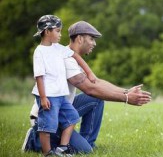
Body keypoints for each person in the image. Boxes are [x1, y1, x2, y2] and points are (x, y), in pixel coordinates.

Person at [22, 20, 152, 154]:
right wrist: (126, 98)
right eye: (91, 39)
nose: (94, 43)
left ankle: (87, 142)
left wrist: (126, 92)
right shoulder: (65, 59)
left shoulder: (70, 55)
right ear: (79, 39)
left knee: (95, 101)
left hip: (62, 108)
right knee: (84, 149)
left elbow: (96, 83)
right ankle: (34, 139)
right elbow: (89, 89)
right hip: (48, 111)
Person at [31, 15, 96, 156]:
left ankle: (63, 148)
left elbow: (75, 56)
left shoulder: (58, 48)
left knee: (72, 117)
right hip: (48, 95)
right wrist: (43, 97)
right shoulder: (39, 52)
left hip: (60, 96)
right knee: (48, 125)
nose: (61, 34)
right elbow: (39, 77)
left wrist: (89, 72)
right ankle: (46, 152)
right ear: (47, 31)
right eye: (58, 31)